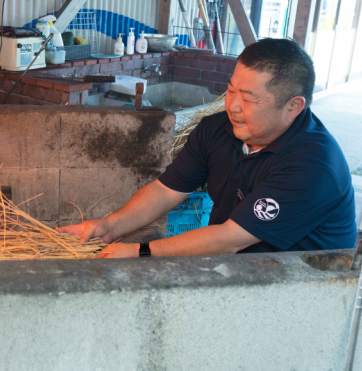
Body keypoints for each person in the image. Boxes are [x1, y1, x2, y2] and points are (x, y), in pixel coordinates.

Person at [58, 38, 357, 258]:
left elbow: (230, 238)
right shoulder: (218, 129)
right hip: (234, 266)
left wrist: (141, 251)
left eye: (249, 98)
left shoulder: (312, 167)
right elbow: (166, 191)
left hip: (298, 291)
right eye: (230, 90)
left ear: (293, 106)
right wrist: (110, 226)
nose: (233, 106)